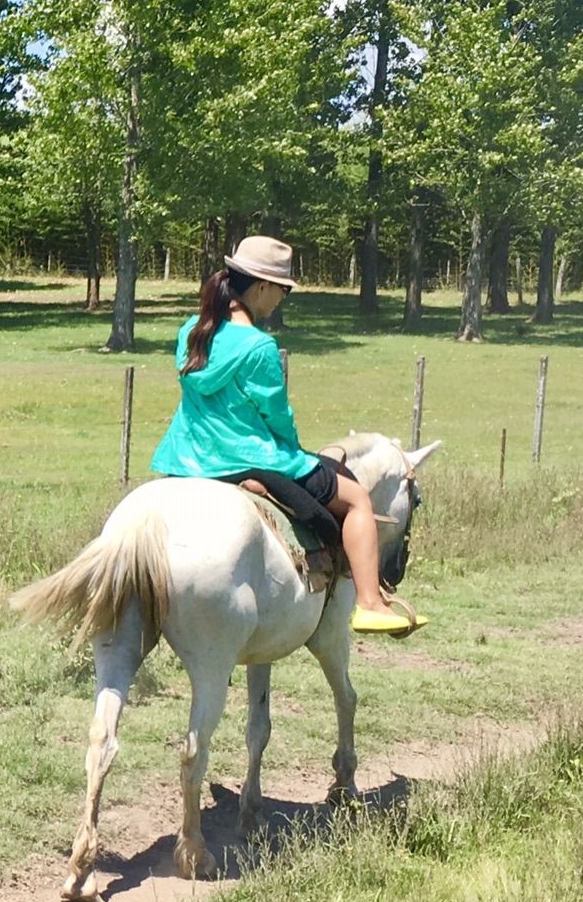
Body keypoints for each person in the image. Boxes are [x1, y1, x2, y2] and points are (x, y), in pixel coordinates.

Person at [151, 236, 423, 636]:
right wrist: (294, 451)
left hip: (187, 457)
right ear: (261, 286)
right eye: (283, 289)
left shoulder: (193, 329)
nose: (283, 298)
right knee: (358, 500)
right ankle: (369, 603)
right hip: (251, 457)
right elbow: (276, 416)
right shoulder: (260, 347)